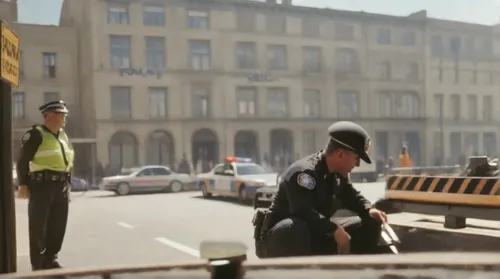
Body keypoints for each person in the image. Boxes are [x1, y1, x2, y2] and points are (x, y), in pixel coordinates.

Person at [259, 121, 388, 257]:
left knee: (371, 221)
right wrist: (334, 230)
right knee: (297, 227)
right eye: (356, 158)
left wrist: (369, 208)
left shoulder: (337, 174)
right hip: (283, 240)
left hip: (313, 234)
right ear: (339, 154)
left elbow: (350, 195)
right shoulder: (304, 173)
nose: (357, 164)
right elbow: (303, 211)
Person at [16, 100, 74, 270]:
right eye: (61, 115)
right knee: (38, 226)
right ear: (49, 117)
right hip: (42, 185)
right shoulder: (36, 134)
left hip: (61, 185)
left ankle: (51, 257)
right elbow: (22, 161)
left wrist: (68, 184)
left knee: (58, 224)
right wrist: (23, 184)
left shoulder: (62, 135)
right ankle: (38, 264)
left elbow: (67, 159)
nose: (64, 119)